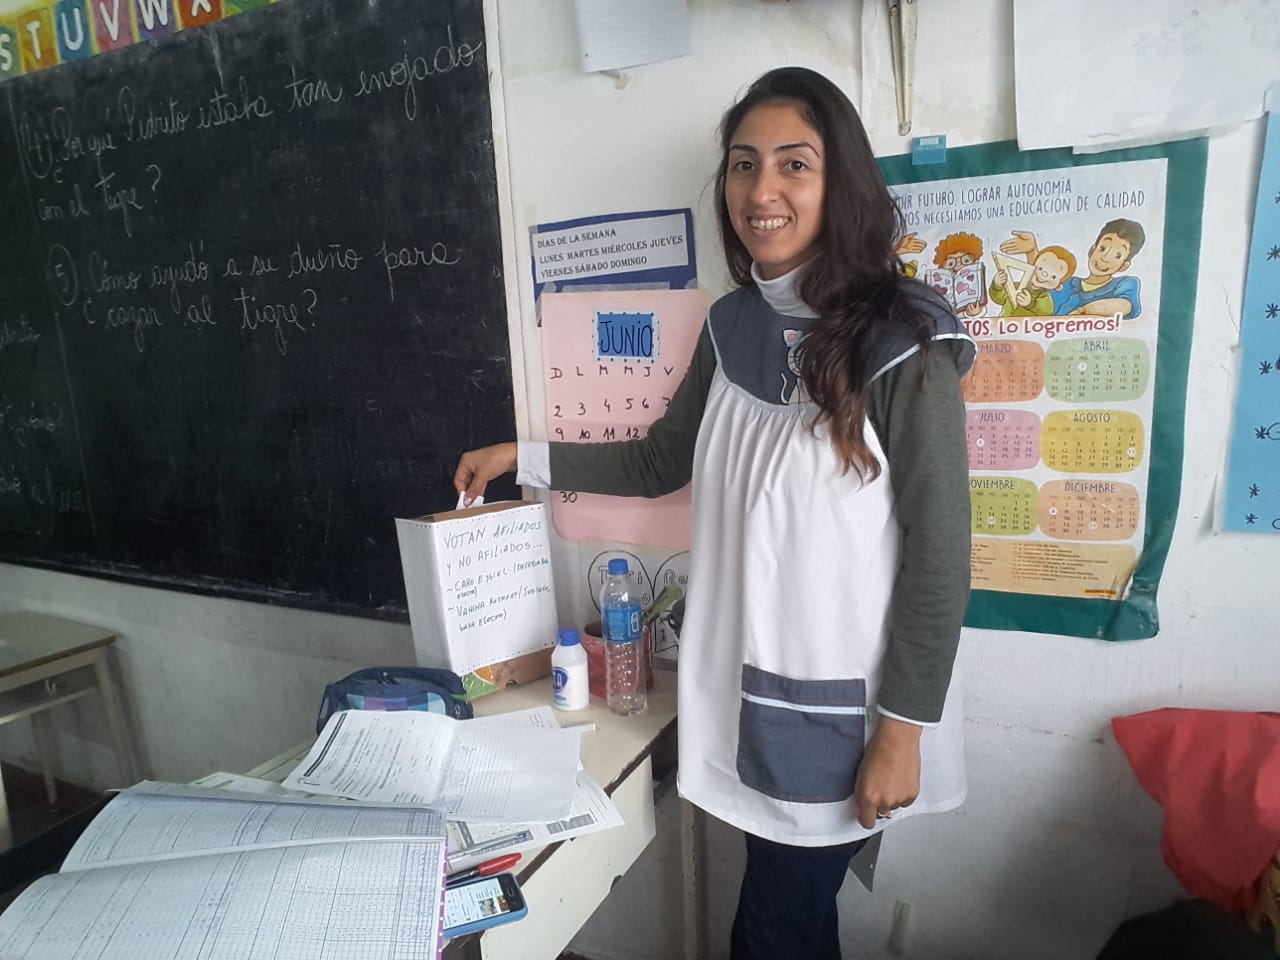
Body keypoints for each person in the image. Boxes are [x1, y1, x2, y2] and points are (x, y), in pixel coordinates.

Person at [455, 67, 973, 960]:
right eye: (742, 164)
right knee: (795, 920)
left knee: (770, 928)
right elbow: (659, 462)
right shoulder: (732, 325)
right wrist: (522, 458)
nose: (761, 191)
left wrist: (903, 729)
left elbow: (941, 551)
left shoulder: (905, 341)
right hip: (745, 686)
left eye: (794, 164)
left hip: (854, 709)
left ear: (841, 181)